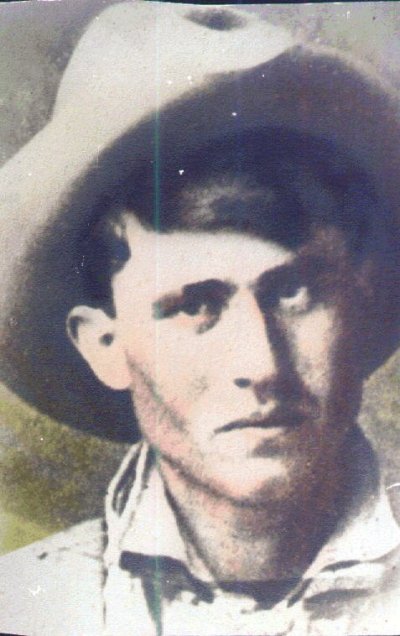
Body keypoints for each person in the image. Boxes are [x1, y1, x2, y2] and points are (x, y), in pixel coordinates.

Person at [0, 2, 400, 635]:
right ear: (105, 344)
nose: (261, 365)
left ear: (365, 297)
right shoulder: (29, 610)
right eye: (194, 306)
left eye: (295, 291)